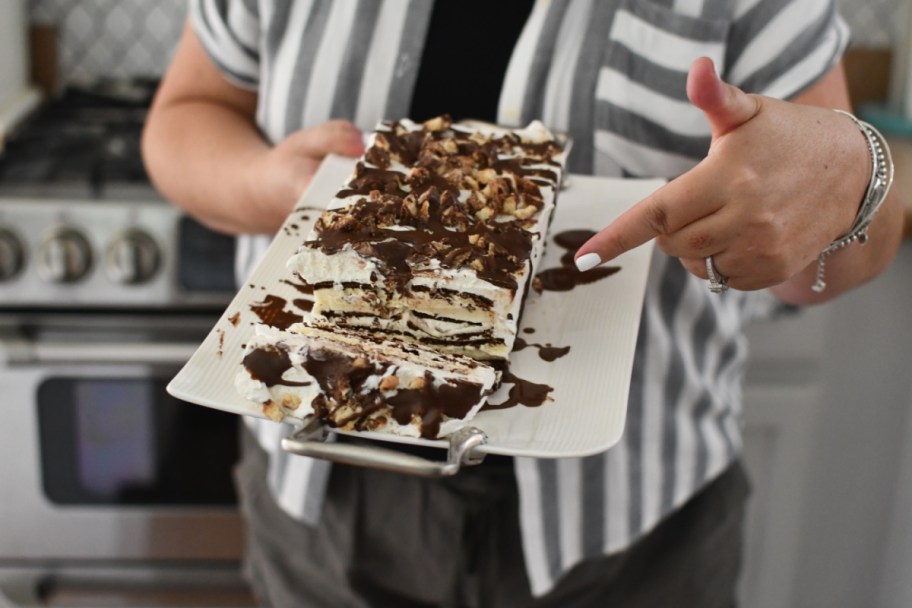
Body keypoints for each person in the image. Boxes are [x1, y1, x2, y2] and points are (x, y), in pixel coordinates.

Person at [142, 1, 903, 606]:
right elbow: (185, 114)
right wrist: (276, 189)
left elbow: (839, 250)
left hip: (632, 536)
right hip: (321, 508)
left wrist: (846, 186)